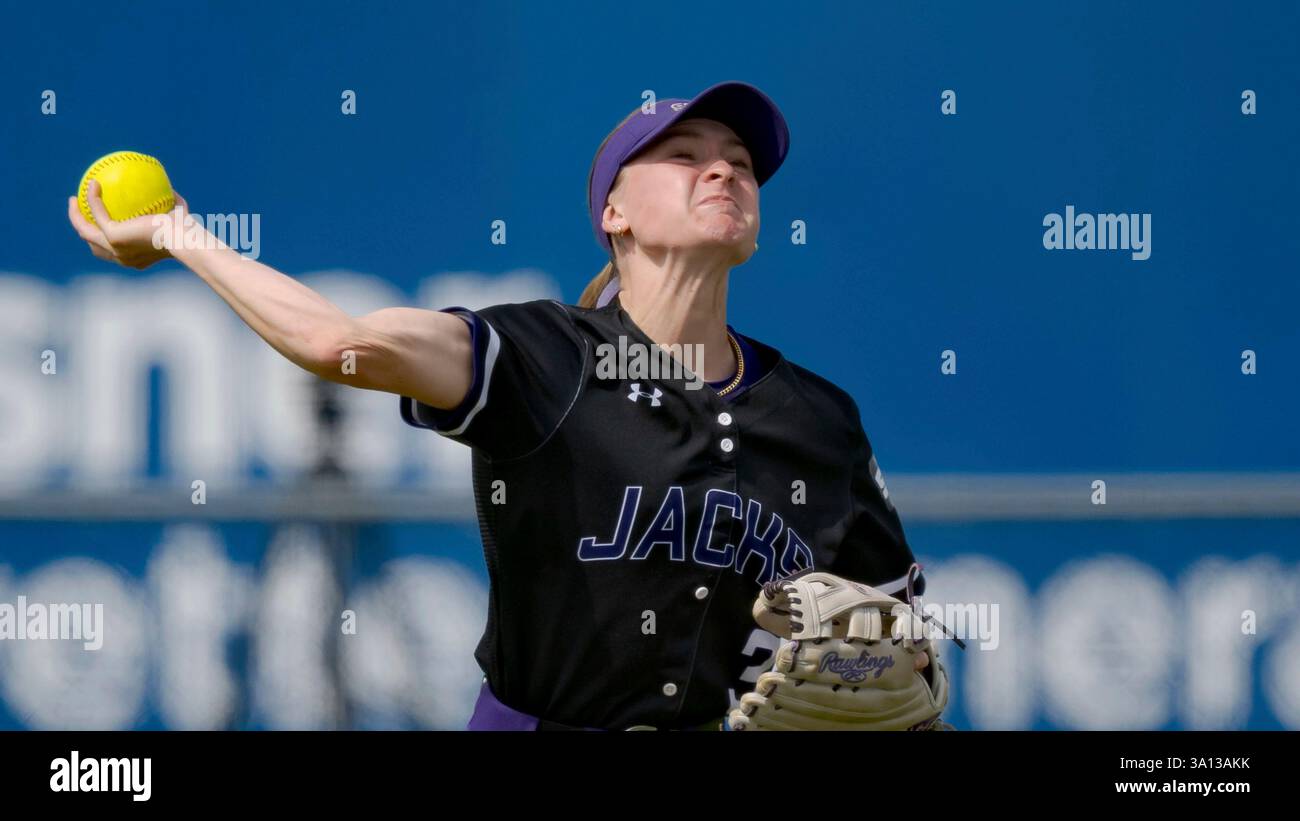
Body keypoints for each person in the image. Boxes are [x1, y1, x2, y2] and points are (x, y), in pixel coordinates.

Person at [67, 81, 934, 731]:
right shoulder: (539, 358)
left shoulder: (819, 420)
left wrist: (894, 671)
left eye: (741, 163)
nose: (724, 169)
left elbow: (903, 649)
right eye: (686, 154)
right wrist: (180, 233)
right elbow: (338, 343)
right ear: (616, 214)